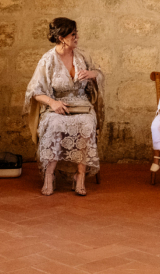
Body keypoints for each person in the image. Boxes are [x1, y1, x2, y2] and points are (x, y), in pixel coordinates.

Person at [23, 17, 104, 196]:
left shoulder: (82, 56)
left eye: (76, 33)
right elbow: (34, 91)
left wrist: (92, 74)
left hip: (81, 104)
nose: (77, 37)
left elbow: (99, 73)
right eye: (73, 34)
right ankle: (49, 175)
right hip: (57, 104)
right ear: (61, 37)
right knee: (54, 124)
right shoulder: (48, 60)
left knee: (87, 124)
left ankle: (80, 176)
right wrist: (53, 103)